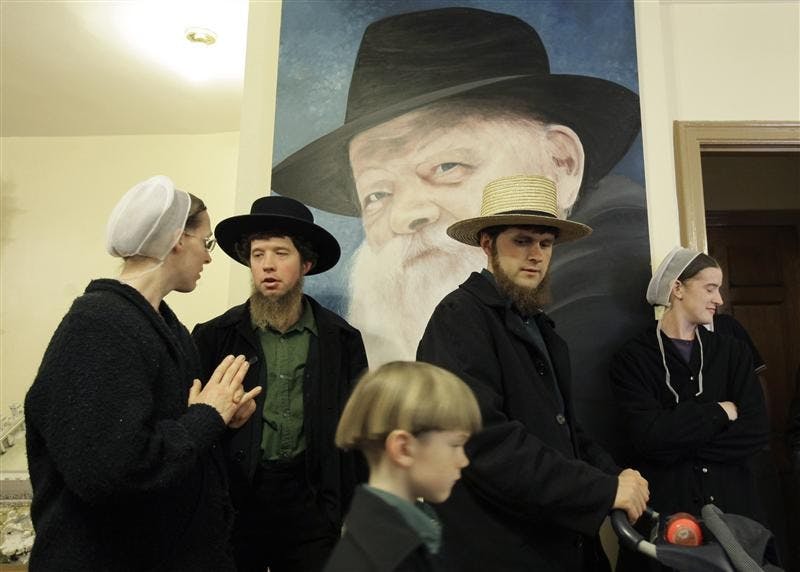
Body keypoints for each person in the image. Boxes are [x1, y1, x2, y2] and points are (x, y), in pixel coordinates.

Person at [270, 8, 651, 397]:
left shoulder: (599, 298)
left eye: (447, 165)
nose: (405, 215)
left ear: (561, 162)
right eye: (377, 194)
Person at [24, 175, 261, 571]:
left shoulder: (164, 327)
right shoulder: (99, 326)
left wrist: (220, 420)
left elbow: (172, 437)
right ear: (177, 240)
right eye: (206, 244)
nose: (208, 258)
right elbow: (112, 471)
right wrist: (207, 416)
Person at [416, 174, 650, 572]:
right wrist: (603, 488)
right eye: (521, 241)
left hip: (553, 541)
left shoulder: (540, 328)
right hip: (497, 549)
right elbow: (481, 442)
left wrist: (617, 475)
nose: (536, 255)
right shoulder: (460, 316)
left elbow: (566, 433)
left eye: (545, 243)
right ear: (488, 244)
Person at [191, 195, 369, 572]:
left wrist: (347, 507)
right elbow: (192, 429)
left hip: (312, 504)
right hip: (237, 504)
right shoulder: (214, 337)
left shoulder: (341, 339)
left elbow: (358, 429)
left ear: (305, 263)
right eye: (258, 255)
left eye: (280, 253)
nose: (268, 265)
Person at [610, 246, 770, 572]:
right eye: (710, 288)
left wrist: (676, 438)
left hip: (734, 512)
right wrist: (720, 413)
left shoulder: (732, 353)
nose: (720, 300)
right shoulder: (633, 358)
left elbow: (755, 430)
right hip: (666, 517)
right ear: (677, 288)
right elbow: (646, 438)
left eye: (719, 289)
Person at [324, 361, 482, 572]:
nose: (464, 460)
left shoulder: (385, 537)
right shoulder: (392, 557)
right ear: (403, 448)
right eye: (455, 445)